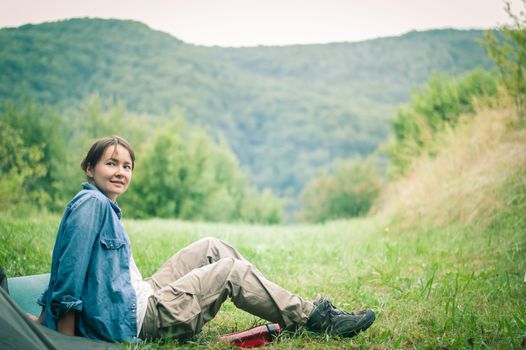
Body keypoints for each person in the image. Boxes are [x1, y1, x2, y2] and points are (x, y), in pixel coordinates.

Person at [36, 136, 375, 343]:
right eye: (111, 163)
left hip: (140, 294)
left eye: (127, 166)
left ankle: (286, 308)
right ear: (90, 168)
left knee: (213, 246)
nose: (121, 172)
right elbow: (69, 271)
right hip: (139, 318)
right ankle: (314, 318)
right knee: (230, 271)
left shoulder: (101, 205)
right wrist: (64, 339)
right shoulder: (91, 204)